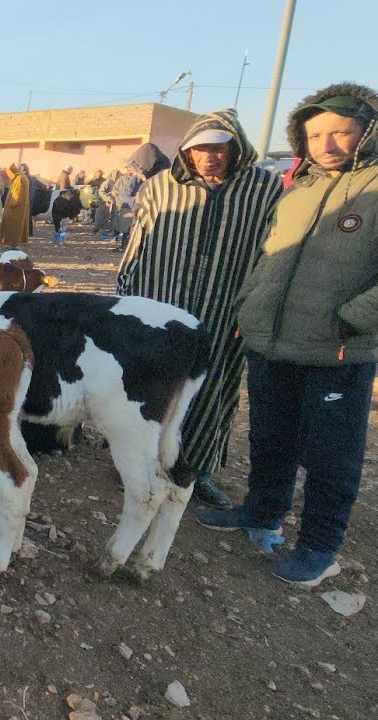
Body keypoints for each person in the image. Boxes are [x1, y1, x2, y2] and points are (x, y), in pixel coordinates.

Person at [199, 83, 378, 587]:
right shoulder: (299, 189)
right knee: (270, 435)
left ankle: (320, 545)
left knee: (331, 453)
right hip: (272, 339)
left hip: (338, 348)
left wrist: (354, 317)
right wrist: (249, 306)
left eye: (342, 132)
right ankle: (262, 511)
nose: (328, 143)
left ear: (368, 131)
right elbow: (271, 255)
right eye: (316, 133)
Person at [117, 109, 282, 509]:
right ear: (187, 151)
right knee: (149, 382)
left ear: (235, 146)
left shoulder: (264, 189)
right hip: (162, 301)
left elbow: (272, 252)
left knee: (213, 385)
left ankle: (196, 470)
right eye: (199, 148)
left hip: (225, 307)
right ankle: (137, 461)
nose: (209, 156)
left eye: (218, 146)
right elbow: (138, 241)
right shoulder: (161, 187)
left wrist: (257, 306)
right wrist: (125, 291)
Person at [109, 143, 170, 249]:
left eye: (136, 170)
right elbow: (125, 193)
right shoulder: (143, 180)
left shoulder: (164, 182)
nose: (135, 174)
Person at [0, 163, 31, 246]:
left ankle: (13, 244)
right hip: (19, 209)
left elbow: (17, 197)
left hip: (15, 211)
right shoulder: (21, 178)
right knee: (17, 228)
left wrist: (10, 204)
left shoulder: (19, 179)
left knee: (13, 228)